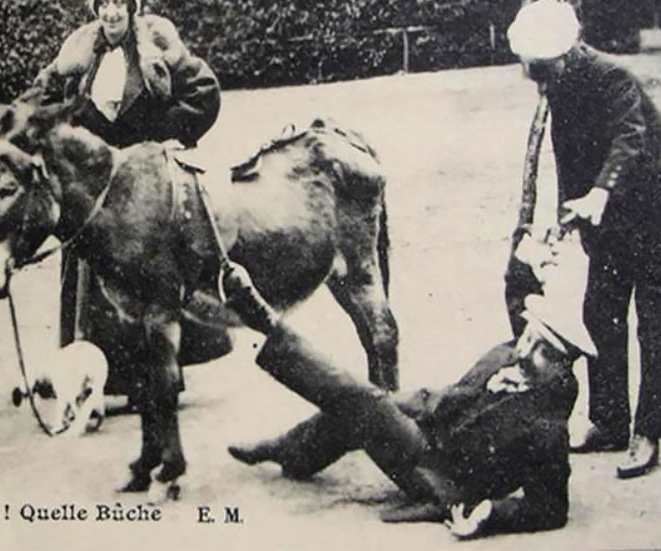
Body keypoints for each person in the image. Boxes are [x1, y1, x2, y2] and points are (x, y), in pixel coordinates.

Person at [224, 229, 596, 539]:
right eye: (528, 335)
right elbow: (515, 296)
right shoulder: (517, 353)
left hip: (438, 475)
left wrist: (489, 516)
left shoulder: (549, 427)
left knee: (364, 401)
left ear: (561, 364)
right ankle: (292, 453)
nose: (524, 348)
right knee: (361, 409)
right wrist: (527, 253)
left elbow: (549, 508)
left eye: (540, 348)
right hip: (429, 423)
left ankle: (270, 327)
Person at [506, 0, 661, 479]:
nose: (535, 80)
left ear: (565, 54)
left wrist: (599, 193)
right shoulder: (558, 85)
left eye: (540, 70)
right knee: (600, 310)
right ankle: (610, 421)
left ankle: (649, 431)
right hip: (615, 214)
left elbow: (630, 139)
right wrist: (564, 217)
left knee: (654, 316)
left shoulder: (611, 76)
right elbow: (568, 156)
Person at [31, 0, 229, 396]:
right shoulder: (78, 54)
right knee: (87, 278)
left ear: (133, 7)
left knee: (148, 278)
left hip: (142, 187)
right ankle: (83, 373)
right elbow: (37, 97)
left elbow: (206, 93)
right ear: (95, 10)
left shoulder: (157, 46)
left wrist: (165, 132)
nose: (112, 13)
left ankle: (154, 377)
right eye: (104, 3)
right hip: (93, 188)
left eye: (120, 2)